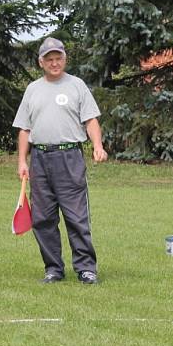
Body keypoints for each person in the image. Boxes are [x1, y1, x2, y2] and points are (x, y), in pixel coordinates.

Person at [13, 37, 108, 285]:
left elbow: (91, 120)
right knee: (43, 218)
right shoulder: (32, 89)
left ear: (65, 59)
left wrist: (97, 145)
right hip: (40, 159)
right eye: (49, 59)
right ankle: (53, 268)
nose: (55, 63)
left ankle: (86, 269)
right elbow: (24, 128)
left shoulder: (77, 86)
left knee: (76, 217)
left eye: (59, 58)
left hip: (70, 157)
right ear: (41, 62)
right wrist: (22, 161)